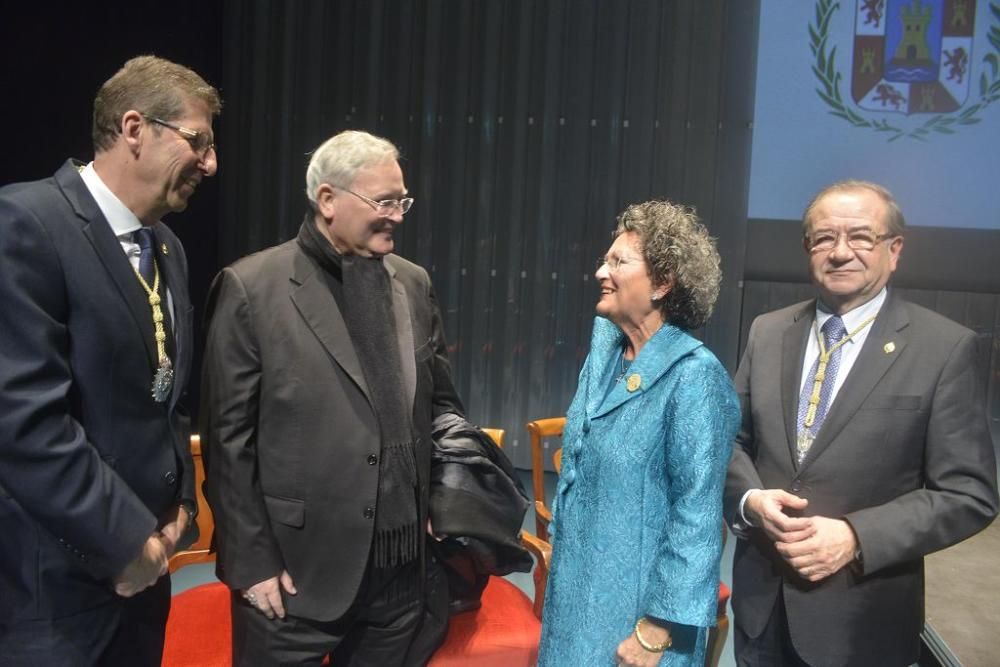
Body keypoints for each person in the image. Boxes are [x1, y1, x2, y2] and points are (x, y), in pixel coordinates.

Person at [201, 129, 466, 666]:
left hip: (399, 575)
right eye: (385, 201)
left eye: (403, 201)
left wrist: (443, 500)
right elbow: (229, 444)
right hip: (296, 580)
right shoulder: (252, 287)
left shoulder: (412, 283)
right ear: (327, 199)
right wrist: (250, 564)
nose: (397, 214)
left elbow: (441, 405)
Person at [0, 56, 221, 665]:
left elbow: (168, 398)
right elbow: (24, 423)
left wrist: (178, 512)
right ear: (133, 128)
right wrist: (127, 542)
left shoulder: (168, 246)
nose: (211, 163)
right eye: (197, 141)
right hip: (55, 591)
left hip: (147, 576)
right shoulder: (26, 222)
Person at [724, 180, 999, 666]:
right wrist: (750, 499)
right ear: (808, 249)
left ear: (894, 250)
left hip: (860, 624)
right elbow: (730, 442)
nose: (840, 252)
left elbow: (968, 494)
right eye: (825, 238)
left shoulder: (944, 348)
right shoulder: (767, 332)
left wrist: (856, 536)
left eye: (861, 237)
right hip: (762, 610)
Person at [538, 200, 740, 667]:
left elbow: (698, 517)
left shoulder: (695, 377)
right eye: (603, 260)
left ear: (663, 283)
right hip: (576, 604)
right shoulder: (605, 355)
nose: (600, 272)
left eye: (617, 262)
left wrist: (656, 631)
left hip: (640, 625)